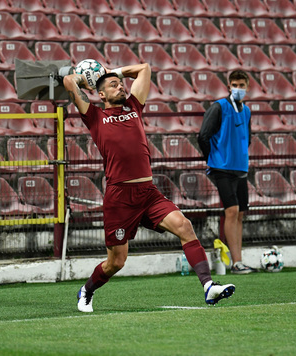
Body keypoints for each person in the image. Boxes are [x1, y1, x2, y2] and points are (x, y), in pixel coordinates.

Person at [63, 63, 235, 312]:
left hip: (147, 192)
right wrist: (93, 78)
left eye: (121, 84)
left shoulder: (134, 107)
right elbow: (69, 81)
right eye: (113, 85)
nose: (120, 86)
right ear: (100, 95)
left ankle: (209, 287)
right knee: (117, 262)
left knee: (184, 226)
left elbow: (144, 68)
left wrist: (116, 73)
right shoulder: (94, 116)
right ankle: (87, 290)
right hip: (119, 198)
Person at [197, 70, 256, 275]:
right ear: (229, 86)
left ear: (248, 87)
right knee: (231, 211)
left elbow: (247, 138)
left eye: (241, 85)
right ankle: (235, 263)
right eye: (234, 84)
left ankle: (239, 261)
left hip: (240, 167)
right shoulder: (219, 107)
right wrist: (213, 159)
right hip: (221, 167)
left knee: (240, 213)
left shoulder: (247, 111)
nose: (238, 88)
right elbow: (203, 136)